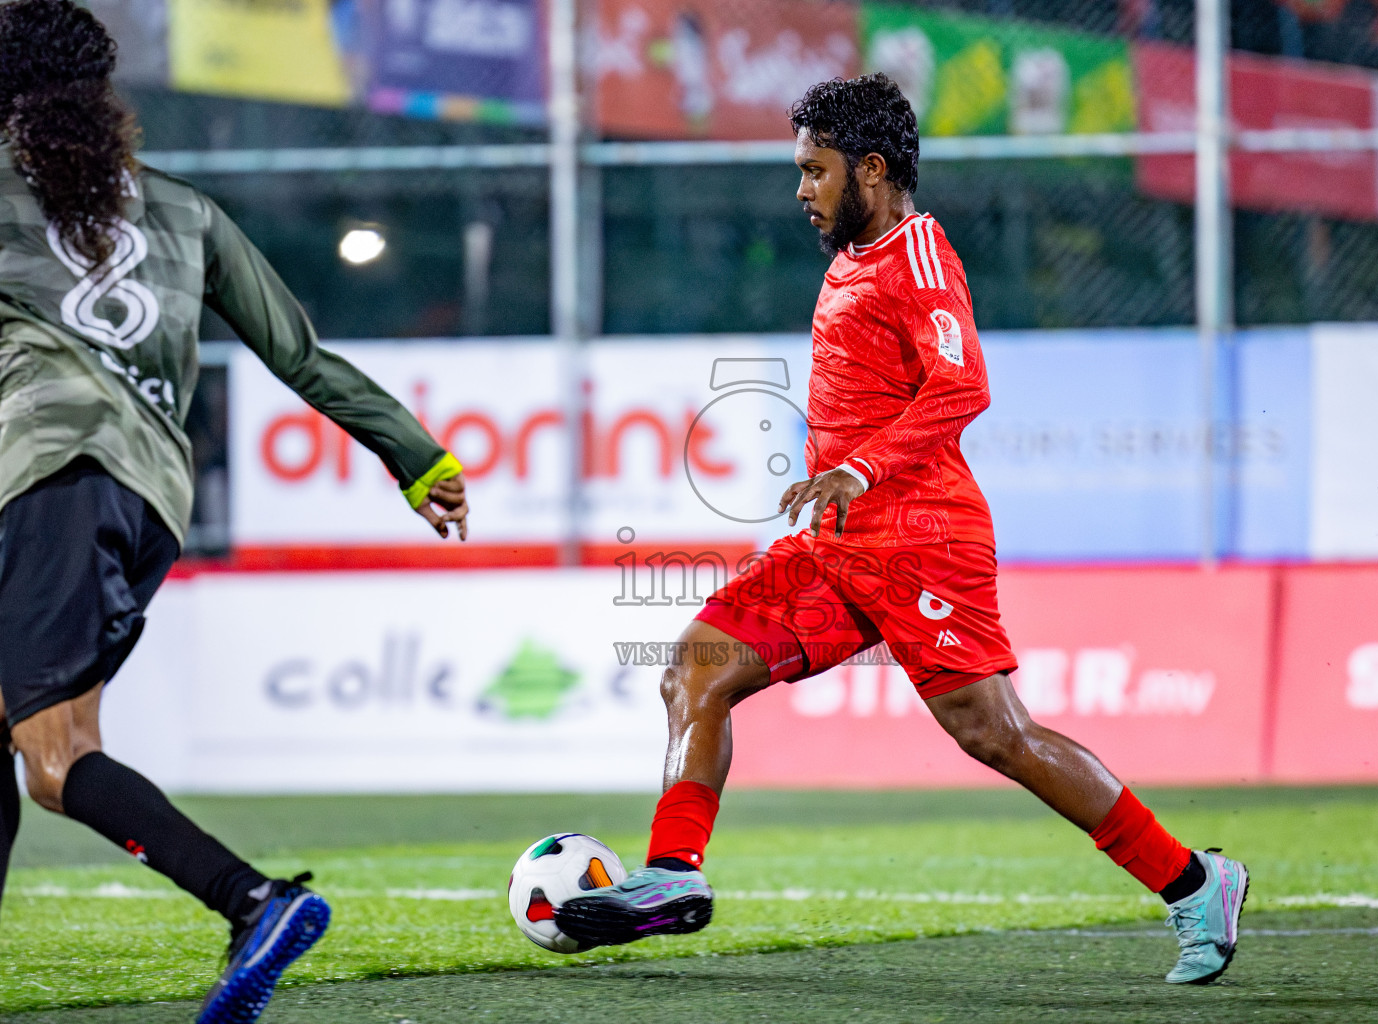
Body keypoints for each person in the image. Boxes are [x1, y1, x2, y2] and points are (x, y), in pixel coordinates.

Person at [556, 74, 1247, 985]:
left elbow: (964, 386)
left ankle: (1196, 882)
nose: (801, 190)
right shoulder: (858, 253)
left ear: (870, 169)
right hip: (836, 542)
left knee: (995, 733)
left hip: (923, 535)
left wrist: (858, 467)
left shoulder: (920, 256)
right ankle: (672, 877)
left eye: (815, 171)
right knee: (697, 666)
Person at [0, 3, 469, 1021]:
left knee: (52, 751)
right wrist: (416, 454)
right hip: (148, 498)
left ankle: (253, 901)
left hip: (49, 474)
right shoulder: (183, 209)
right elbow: (298, 353)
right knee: (19, 729)